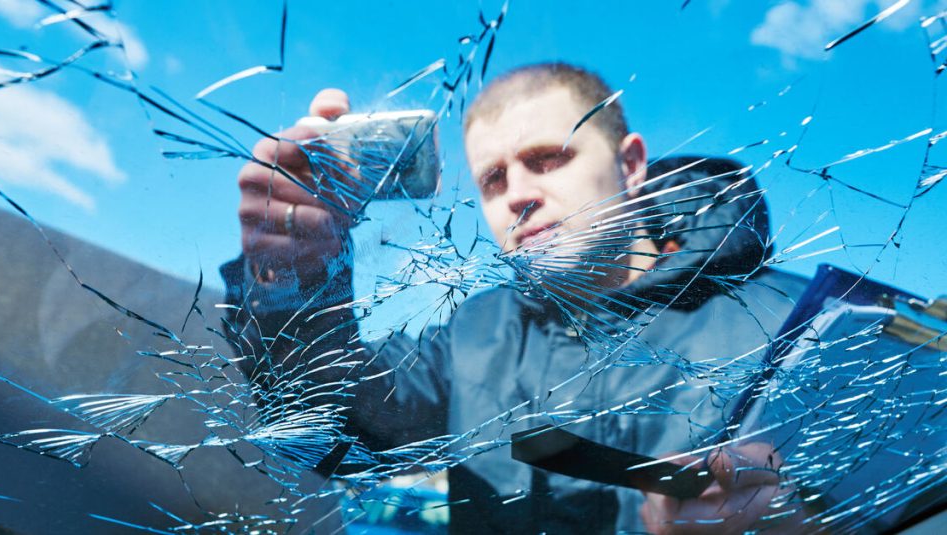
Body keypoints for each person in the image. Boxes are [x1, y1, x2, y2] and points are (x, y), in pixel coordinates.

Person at [222, 62, 810, 533]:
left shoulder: (796, 324)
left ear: (630, 165)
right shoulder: (478, 329)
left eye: (547, 159)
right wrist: (289, 280)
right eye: (492, 180)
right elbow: (340, 428)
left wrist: (803, 519)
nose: (517, 197)